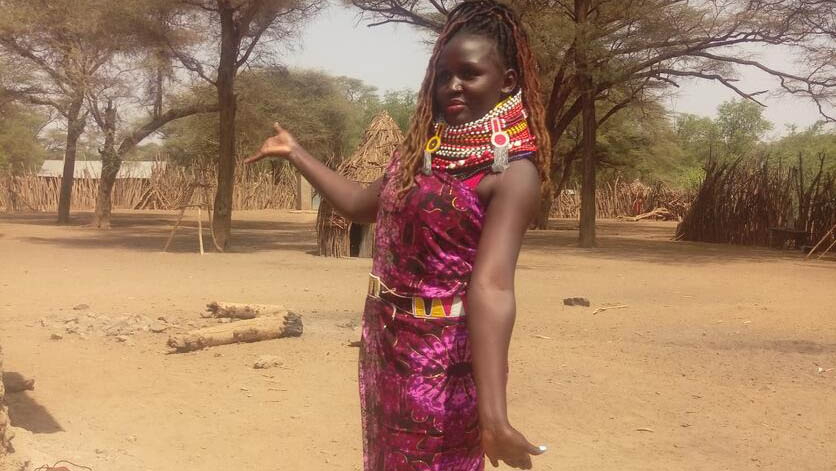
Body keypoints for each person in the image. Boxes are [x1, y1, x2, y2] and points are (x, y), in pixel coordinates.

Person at [246, 1, 551, 469]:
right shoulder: (417, 157)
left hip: (444, 359)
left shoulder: (512, 173)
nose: (452, 86)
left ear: (506, 82)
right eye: (443, 74)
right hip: (386, 341)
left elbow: (492, 286)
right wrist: (295, 153)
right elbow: (358, 205)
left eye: (469, 73)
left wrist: (494, 416)